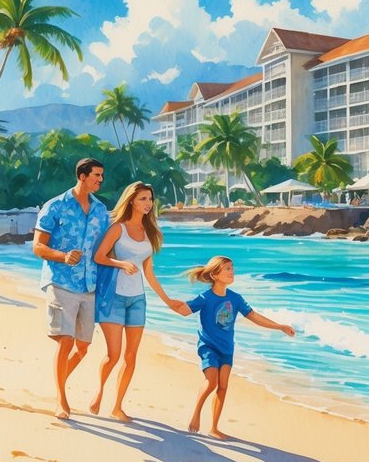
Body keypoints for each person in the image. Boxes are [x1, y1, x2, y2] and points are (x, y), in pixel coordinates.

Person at [90, 181, 186, 422]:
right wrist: (121, 263)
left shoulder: (149, 233)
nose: (148, 204)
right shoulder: (117, 229)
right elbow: (99, 256)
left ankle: (117, 406)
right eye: (143, 199)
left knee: (131, 356)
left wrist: (167, 300)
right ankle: (100, 391)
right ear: (131, 200)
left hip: (137, 300)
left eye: (150, 199)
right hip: (113, 298)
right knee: (113, 355)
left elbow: (149, 273)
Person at [178, 255, 295, 439]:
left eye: (232, 268)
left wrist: (279, 326)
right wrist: (165, 299)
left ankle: (214, 428)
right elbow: (183, 310)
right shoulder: (205, 298)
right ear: (215, 275)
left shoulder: (236, 298)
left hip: (226, 349)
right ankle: (196, 414)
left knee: (223, 386)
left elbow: (254, 316)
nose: (232, 272)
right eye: (227, 269)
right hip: (208, 346)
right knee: (212, 382)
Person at [33, 158, 109, 420]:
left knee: (84, 346)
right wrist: (63, 256)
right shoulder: (55, 206)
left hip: (90, 286)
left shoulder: (101, 211)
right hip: (61, 282)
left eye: (101, 176)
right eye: (97, 175)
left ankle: (58, 382)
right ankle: (61, 400)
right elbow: (38, 247)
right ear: (83, 175)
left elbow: (107, 247)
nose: (100, 180)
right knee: (64, 341)